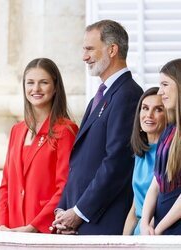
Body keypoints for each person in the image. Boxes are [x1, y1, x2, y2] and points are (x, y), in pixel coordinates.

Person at [52, 19, 143, 235]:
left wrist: (79, 212)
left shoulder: (128, 94)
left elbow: (116, 162)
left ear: (112, 50)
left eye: (90, 49)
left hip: (103, 221)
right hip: (80, 222)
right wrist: (63, 210)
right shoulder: (99, 96)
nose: (84, 56)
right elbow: (80, 162)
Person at [0, 58, 78, 233]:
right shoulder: (17, 131)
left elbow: (65, 185)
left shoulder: (65, 130)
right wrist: (3, 224)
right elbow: (6, 184)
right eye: (30, 83)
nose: (36, 89)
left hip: (44, 229)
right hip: (12, 229)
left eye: (44, 83)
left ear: (55, 87)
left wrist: (34, 227)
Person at [141, 59, 181, 235]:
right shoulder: (169, 131)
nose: (160, 91)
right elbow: (155, 183)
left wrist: (159, 229)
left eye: (165, 84)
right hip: (159, 229)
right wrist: (144, 223)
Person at [123, 87, 166, 235]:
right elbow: (136, 208)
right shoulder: (140, 154)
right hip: (139, 234)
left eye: (158, 109)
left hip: (157, 233)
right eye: (145, 108)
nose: (149, 115)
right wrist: (123, 242)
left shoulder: (170, 154)